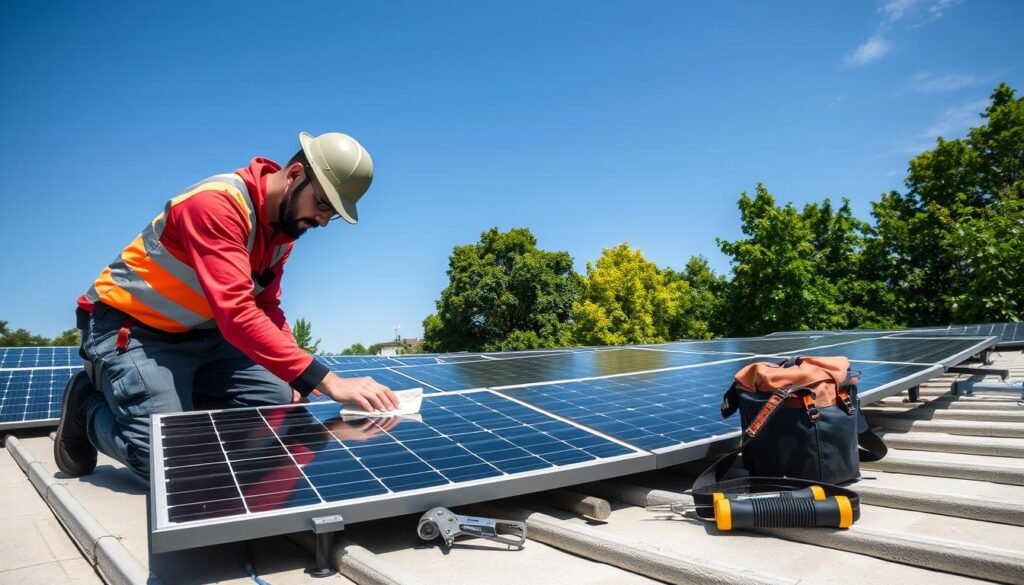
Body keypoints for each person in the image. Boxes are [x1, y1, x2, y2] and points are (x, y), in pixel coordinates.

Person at [55, 132, 399, 482]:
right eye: (323, 204)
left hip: (204, 335)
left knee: (279, 401)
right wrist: (326, 380)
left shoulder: (282, 235)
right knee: (168, 465)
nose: (324, 220)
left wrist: (293, 373)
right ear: (295, 175)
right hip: (132, 330)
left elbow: (265, 305)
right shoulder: (216, 204)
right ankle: (87, 407)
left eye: (334, 214)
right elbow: (236, 312)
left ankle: (180, 412)